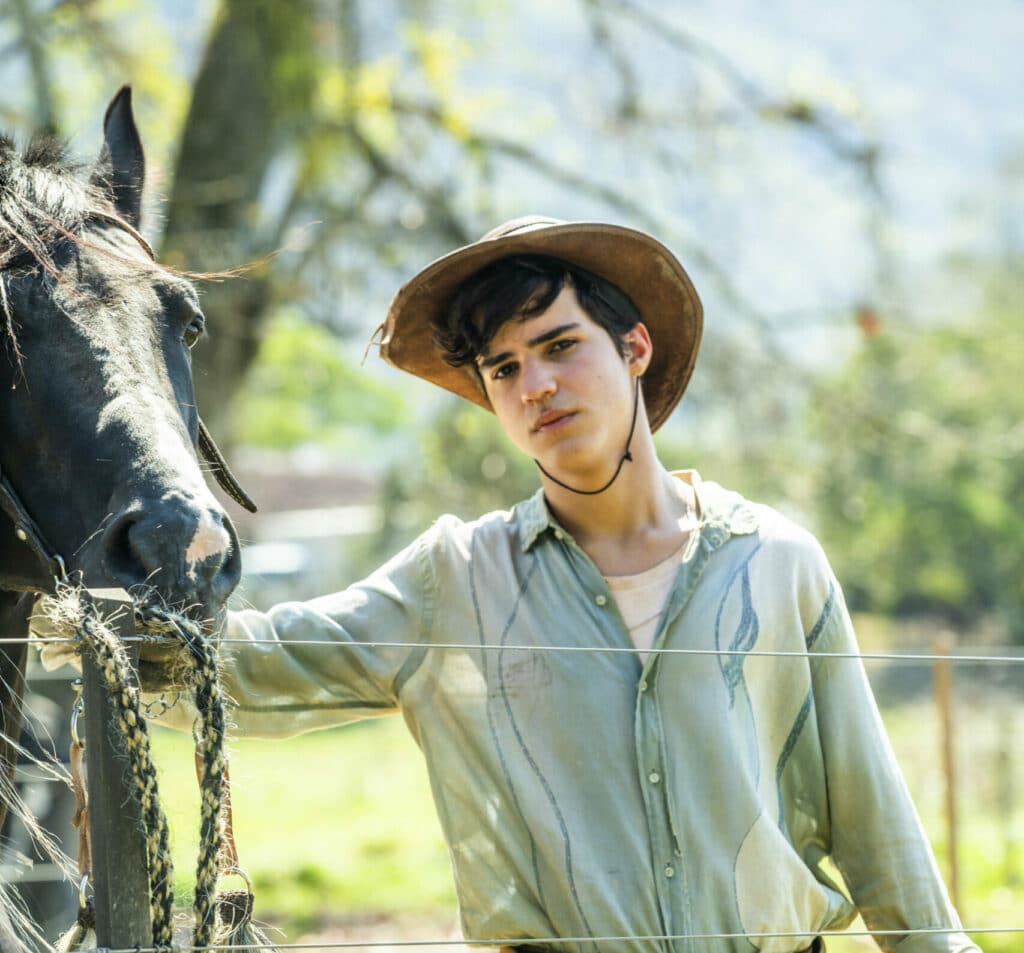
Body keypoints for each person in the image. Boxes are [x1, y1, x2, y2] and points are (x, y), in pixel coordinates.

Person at [183, 218, 979, 952]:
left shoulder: (776, 560)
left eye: (560, 346)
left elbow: (875, 823)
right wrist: (89, 613)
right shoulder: (457, 577)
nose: (534, 384)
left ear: (635, 347)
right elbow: (254, 664)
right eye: (504, 368)